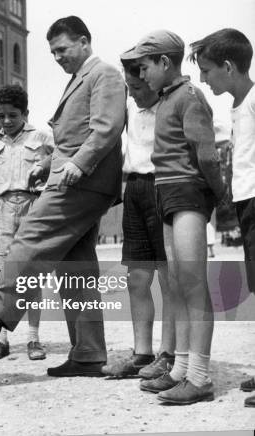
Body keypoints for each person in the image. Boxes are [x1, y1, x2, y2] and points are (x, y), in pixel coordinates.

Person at [0, 16, 126, 378]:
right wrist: (48, 162)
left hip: (82, 182)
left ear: (84, 42)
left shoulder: (103, 74)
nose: (57, 57)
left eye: (62, 49)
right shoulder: (79, 79)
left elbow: (107, 128)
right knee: (77, 269)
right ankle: (88, 354)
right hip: (76, 177)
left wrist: (77, 164)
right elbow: (72, 136)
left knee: (29, 237)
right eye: (53, 52)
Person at [122, 30, 226, 404]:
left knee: (194, 283)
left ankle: (199, 376)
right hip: (165, 191)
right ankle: (181, 368)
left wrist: (218, 196)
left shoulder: (190, 96)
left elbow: (207, 154)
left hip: (187, 192)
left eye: (144, 66)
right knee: (180, 284)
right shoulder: (166, 98)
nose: (141, 73)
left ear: (165, 63)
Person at [189, 28, 255, 408]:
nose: (203, 78)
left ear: (228, 66)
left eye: (208, 70)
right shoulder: (237, 104)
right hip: (247, 203)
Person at [101, 59, 176, 379]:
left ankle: (169, 353)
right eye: (130, 89)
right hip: (134, 190)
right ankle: (142, 353)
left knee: (168, 278)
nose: (135, 95)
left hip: (164, 187)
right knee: (137, 278)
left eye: (141, 88)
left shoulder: (172, 107)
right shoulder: (130, 109)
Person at [0, 85, 53, 361]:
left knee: (32, 275)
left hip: (33, 206)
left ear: (26, 113)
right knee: (2, 275)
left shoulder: (43, 137)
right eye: (2, 116)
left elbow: (60, 158)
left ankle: (33, 338)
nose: (7, 121)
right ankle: (1, 338)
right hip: (2, 209)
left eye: (13, 115)